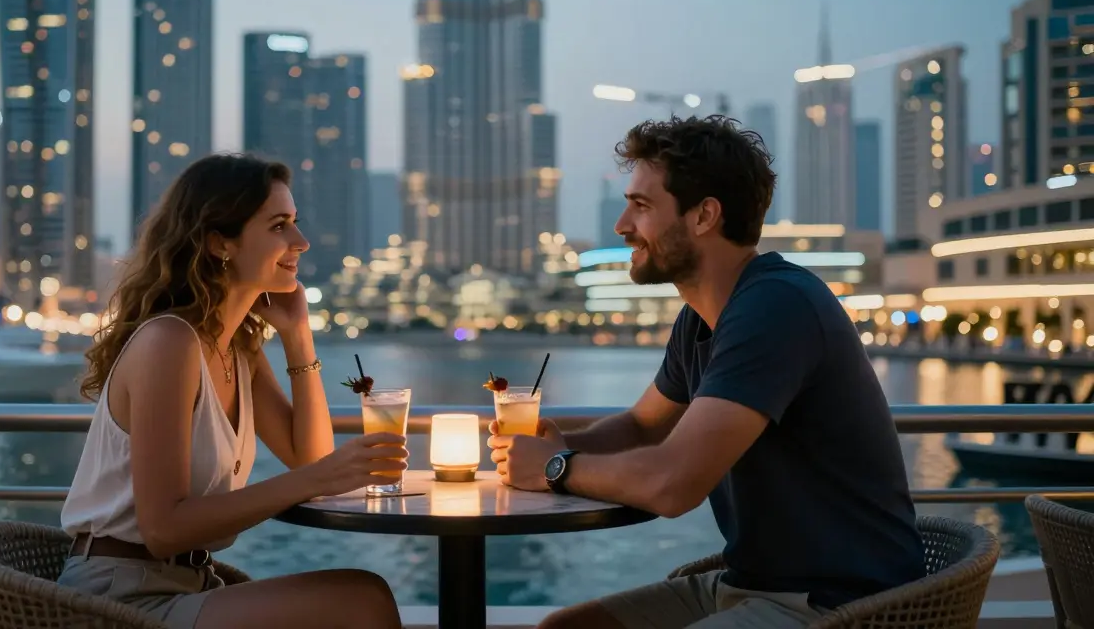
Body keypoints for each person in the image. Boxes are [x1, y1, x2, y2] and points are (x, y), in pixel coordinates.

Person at [490, 117, 925, 628]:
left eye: (642, 205)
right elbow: (643, 426)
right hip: (750, 585)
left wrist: (555, 469)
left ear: (704, 216)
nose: (622, 225)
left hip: (841, 605)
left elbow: (674, 484)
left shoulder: (775, 306)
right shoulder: (702, 316)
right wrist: (563, 446)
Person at [57, 153, 406, 629]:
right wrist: (322, 477)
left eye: (295, 224)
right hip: (118, 598)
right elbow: (163, 531)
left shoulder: (236, 347)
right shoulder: (170, 342)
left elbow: (310, 456)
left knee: (363, 595)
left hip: (189, 584)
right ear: (220, 242)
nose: (301, 242)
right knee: (362, 600)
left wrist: (297, 336)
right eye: (280, 226)